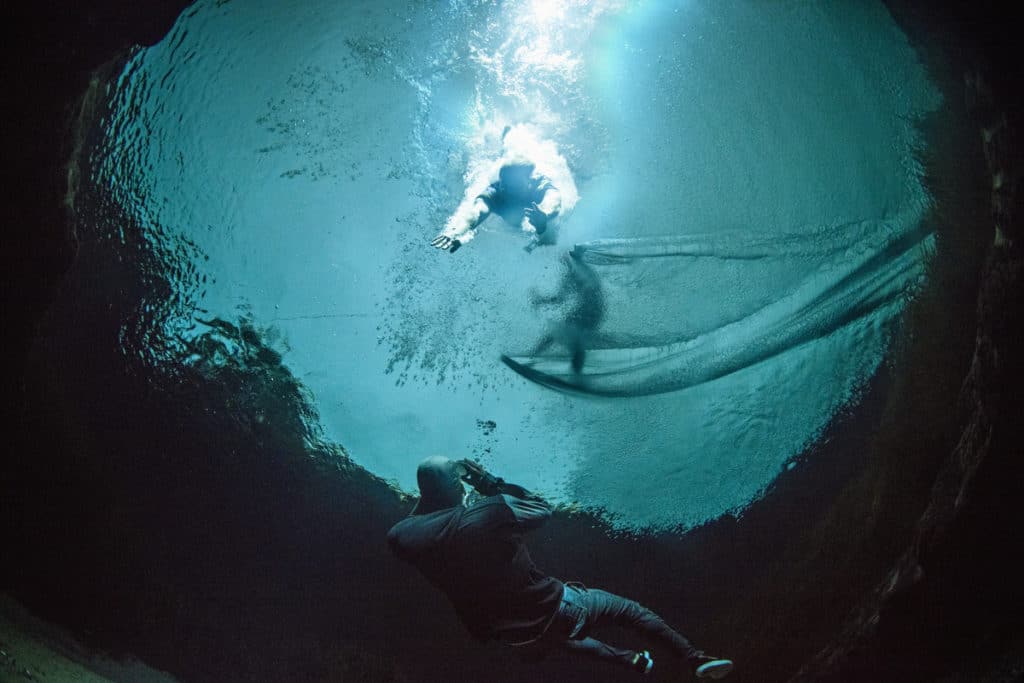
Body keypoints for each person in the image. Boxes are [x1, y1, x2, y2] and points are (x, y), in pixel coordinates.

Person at [387, 456, 734, 679]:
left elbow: (424, 513)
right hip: (557, 608)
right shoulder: (487, 512)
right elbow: (541, 508)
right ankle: (694, 659)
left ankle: (632, 661)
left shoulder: (403, 538)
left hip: (513, 637)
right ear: (457, 486)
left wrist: (440, 486)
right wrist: (486, 481)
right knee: (629, 611)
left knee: (563, 639)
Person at [431, 130, 565, 254]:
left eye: (516, 186)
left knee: (548, 238)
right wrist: (454, 232)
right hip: (512, 222)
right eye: (505, 185)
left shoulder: (539, 184)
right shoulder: (496, 192)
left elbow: (554, 200)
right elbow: (475, 213)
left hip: (537, 221)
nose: (509, 191)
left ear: (529, 182)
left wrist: (544, 215)